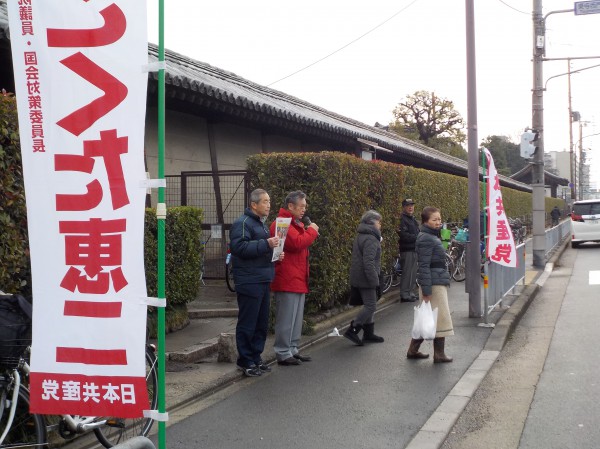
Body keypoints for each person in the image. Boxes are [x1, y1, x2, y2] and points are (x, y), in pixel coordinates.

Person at [230, 189, 283, 377]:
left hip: (262, 278)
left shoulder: (261, 224)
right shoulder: (242, 223)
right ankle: (245, 360)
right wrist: (266, 244)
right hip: (248, 280)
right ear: (254, 204)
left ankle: (256, 357)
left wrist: (275, 254)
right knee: (248, 322)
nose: (269, 205)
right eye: (265, 201)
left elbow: (260, 249)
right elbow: (239, 247)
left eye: (269, 201)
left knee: (261, 322)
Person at [270, 191, 319, 366]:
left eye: (305, 206)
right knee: (286, 318)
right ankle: (283, 352)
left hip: (297, 277)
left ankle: (292, 349)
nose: (304, 209)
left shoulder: (294, 223)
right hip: (287, 278)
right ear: (291, 206)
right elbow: (297, 243)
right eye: (302, 206)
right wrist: (312, 230)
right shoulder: (281, 223)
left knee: (296, 318)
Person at [407, 206, 453, 363]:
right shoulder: (426, 238)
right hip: (433, 283)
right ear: (426, 221)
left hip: (436, 279)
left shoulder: (430, 236)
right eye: (434, 220)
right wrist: (426, 291)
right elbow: (424, 266)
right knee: (439, 319)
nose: (438, 222)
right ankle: (439, 354)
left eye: (439, 219)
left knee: (427, 318)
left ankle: (413, 350)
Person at [344, 210, 385, 345]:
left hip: (360, 275)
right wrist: (375, 280)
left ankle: (368, 333)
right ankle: (353, 329)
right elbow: (369, 262)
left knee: (370, 304)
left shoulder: (362, 235)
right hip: (366, 278)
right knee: (371, 306)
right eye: (379, 222)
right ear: (371, 223)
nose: (380, 225)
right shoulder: (371, 239)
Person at [397, 198, 419, 302]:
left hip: (413, 249)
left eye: (412, 205)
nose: (410, 207)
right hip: (406, 250)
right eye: (408, 205)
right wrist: (417, 237)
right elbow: (403, 235)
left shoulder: (412, 219)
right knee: (407, 273)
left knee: (413, 272)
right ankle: (405, 294)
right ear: (404, 207)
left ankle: (410, 292)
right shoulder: (402, 219)